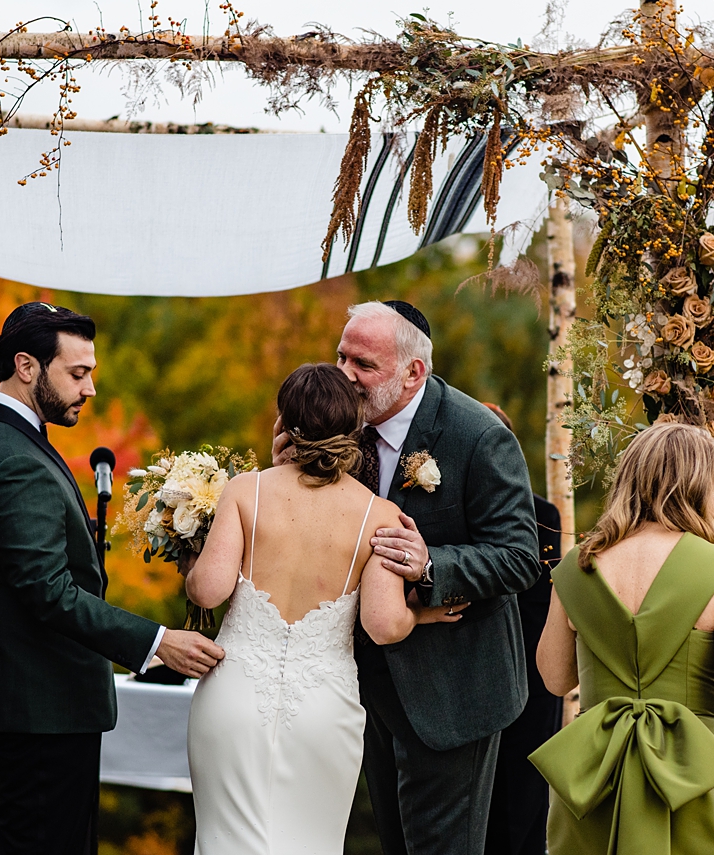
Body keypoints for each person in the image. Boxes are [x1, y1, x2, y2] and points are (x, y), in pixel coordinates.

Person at [0, 302, 225, 855]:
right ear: (26, 366)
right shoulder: (12, 458)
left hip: (19, 703)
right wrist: (157, 642)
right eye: (77, 373)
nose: (90, 388)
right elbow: (48, 591)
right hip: (37, 709)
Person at [272, 300, 541, 855]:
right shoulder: (330, 426)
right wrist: (286, 480)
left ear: (413, 372)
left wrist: (432, 566)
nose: (344, 374)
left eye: (363, 364)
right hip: (357, 686)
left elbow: (520, 556)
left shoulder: (478, 435)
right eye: (340, 355)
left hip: (451, 690)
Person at [184, 362, 462, 853]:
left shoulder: (246, 490)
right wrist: (422, 613)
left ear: (283, 422)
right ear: (354, 426)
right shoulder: (379, 514)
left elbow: (207, 591)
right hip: (322, 706)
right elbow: (382, 624)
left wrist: (192, 557)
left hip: (234, 697)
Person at [531, 422, 714, 855]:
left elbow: (553, 676)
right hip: (688, 769)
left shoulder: (575, 567)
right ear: (698, 488)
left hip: (593, 771)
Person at [480, 402, 563, 855]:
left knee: (524, 797)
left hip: (530, 667)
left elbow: (539, 602)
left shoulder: (542, 515)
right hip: (485, 668)